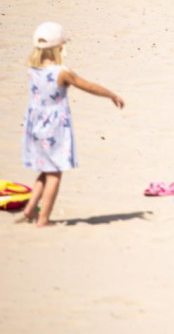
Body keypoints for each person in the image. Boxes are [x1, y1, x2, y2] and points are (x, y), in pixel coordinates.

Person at [19, 22, 124, 227]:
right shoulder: (62, 72)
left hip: (34, 126)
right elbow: (88, 86)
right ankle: (43, 219)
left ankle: (30, 209)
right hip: (54, 128)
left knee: (45, 169)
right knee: (55, 173)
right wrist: (111, 95)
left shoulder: (33, 69)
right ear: (60, 48)